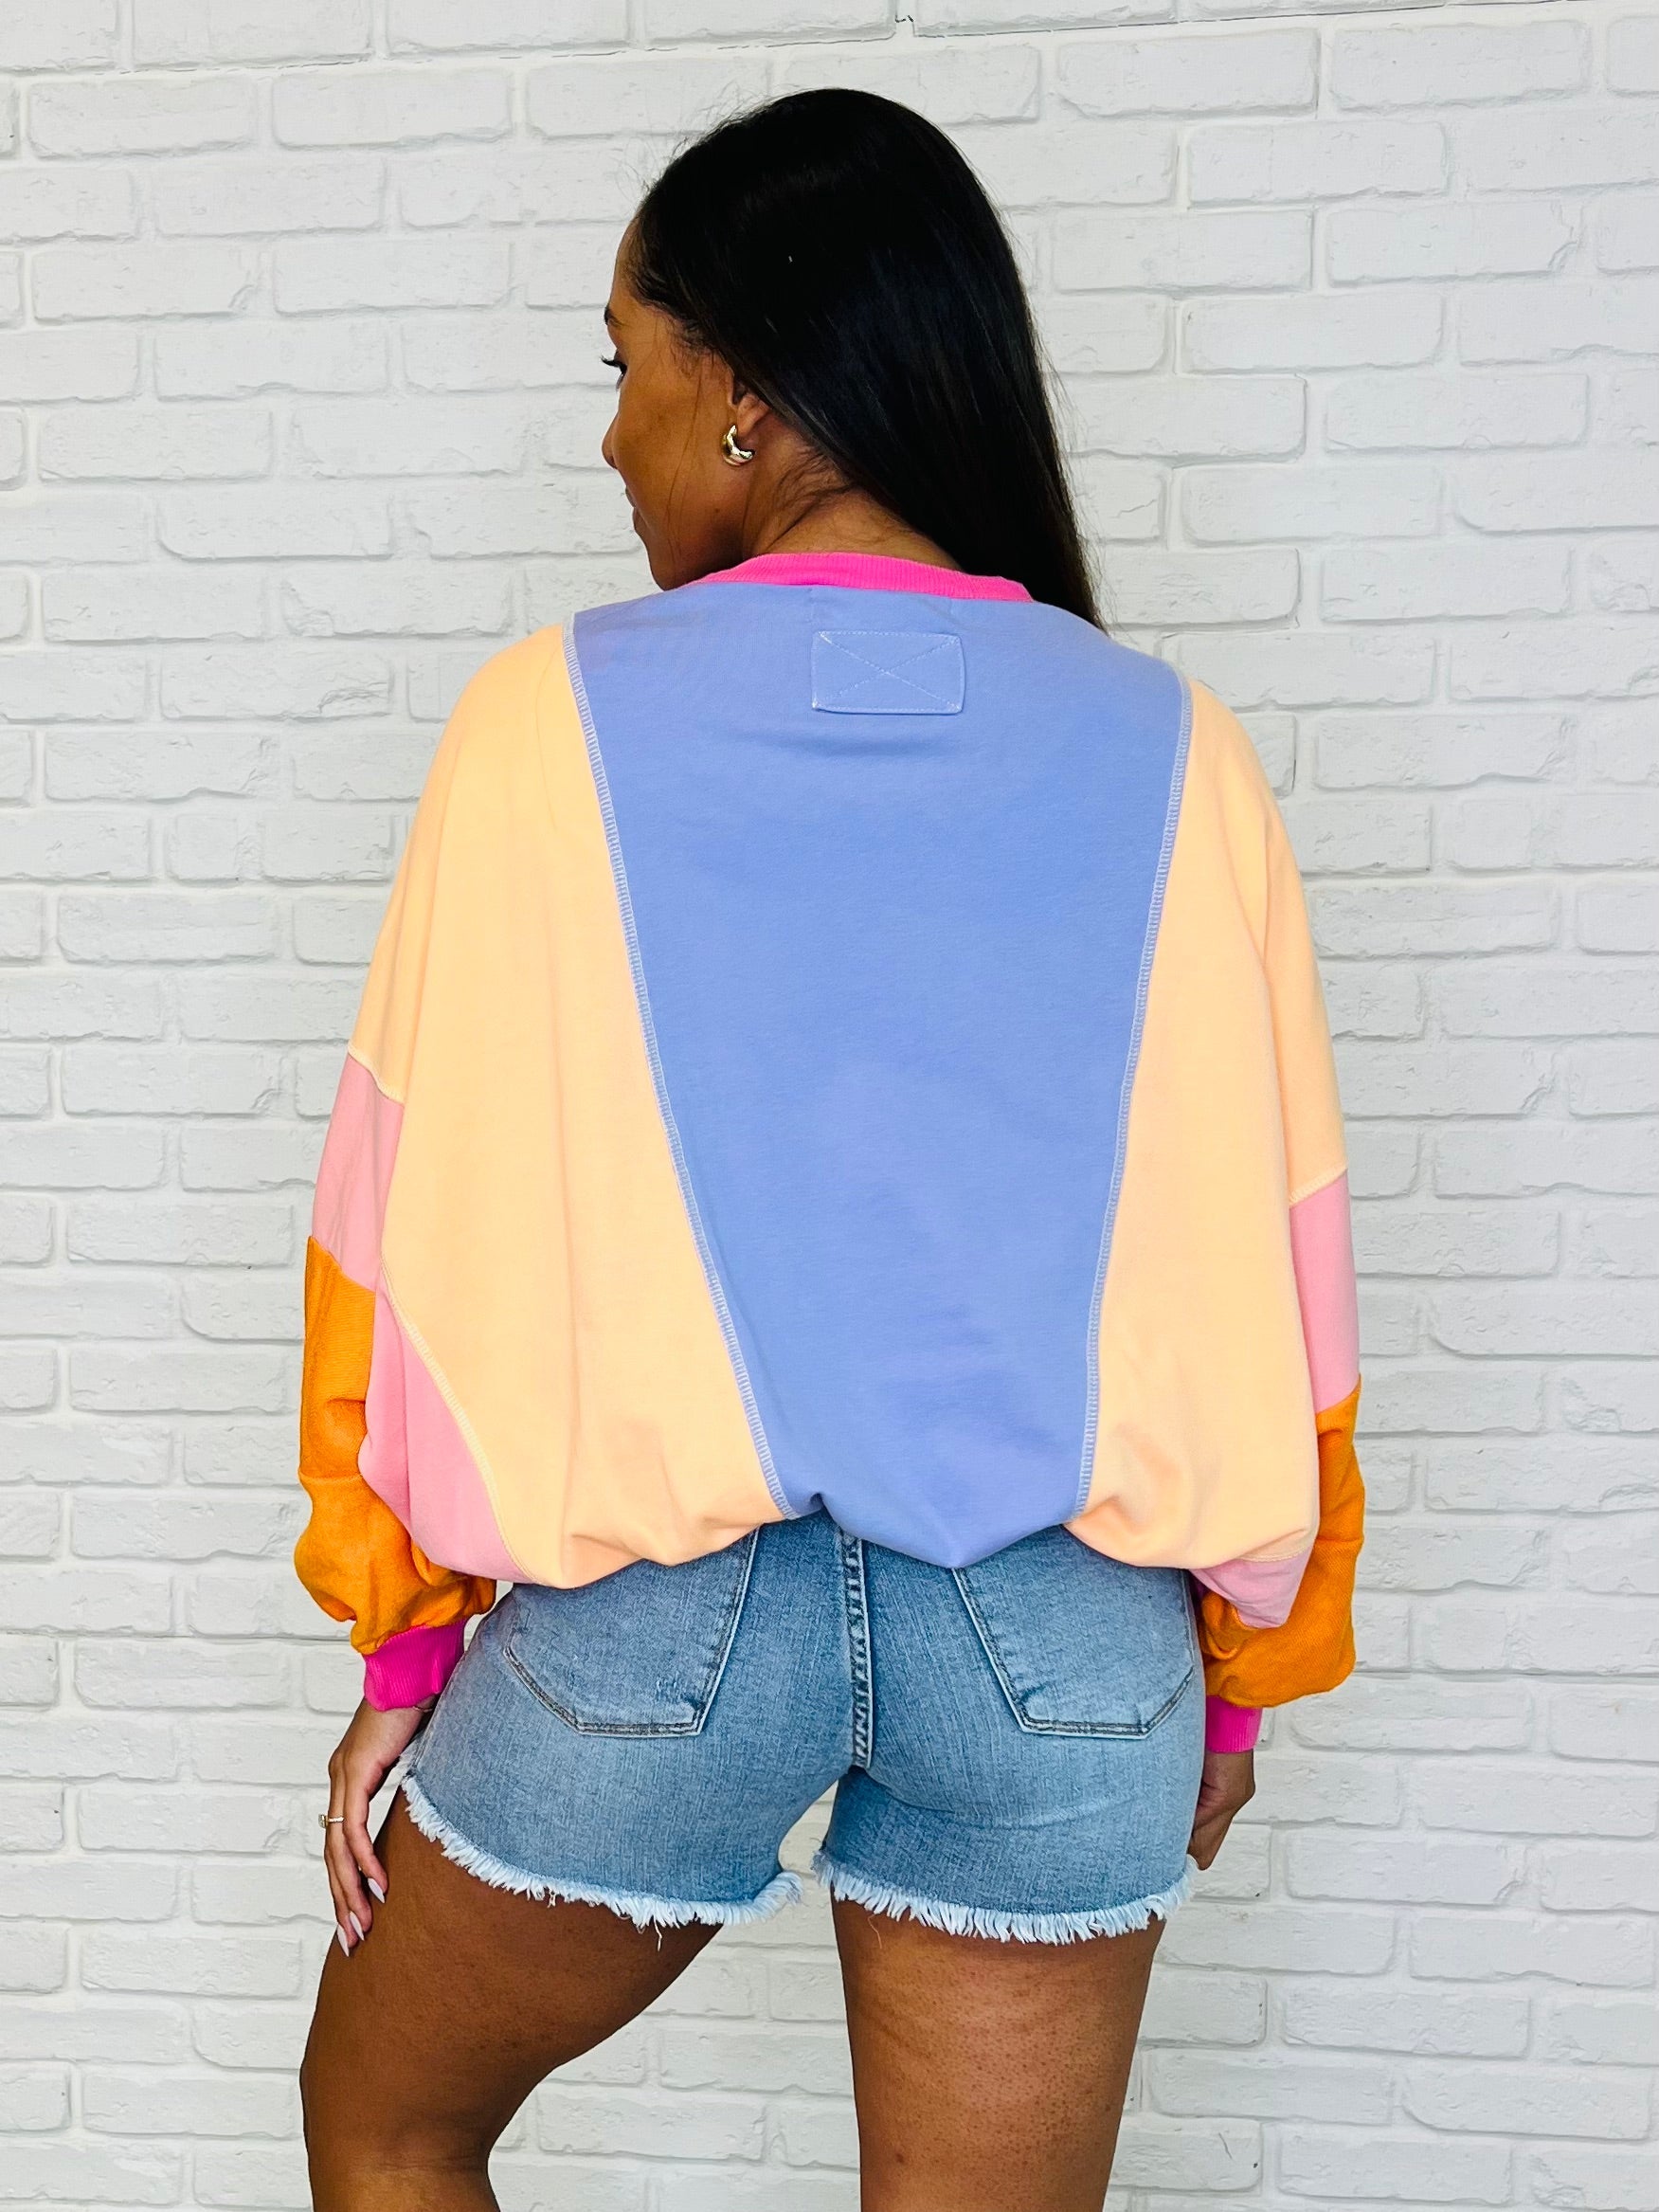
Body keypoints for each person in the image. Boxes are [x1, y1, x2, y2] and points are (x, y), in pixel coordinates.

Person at [293, 87, 1364, 2212]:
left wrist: (404, 1639)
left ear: (748, 394)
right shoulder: (1177, 750)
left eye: (626, 365)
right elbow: (1276, 1270)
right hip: (1070, 1645)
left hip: (663, 1625)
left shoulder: (535, 728)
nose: (611, 436)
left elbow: (404, 1240)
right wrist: (1237, 1686)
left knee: (387, 2124)